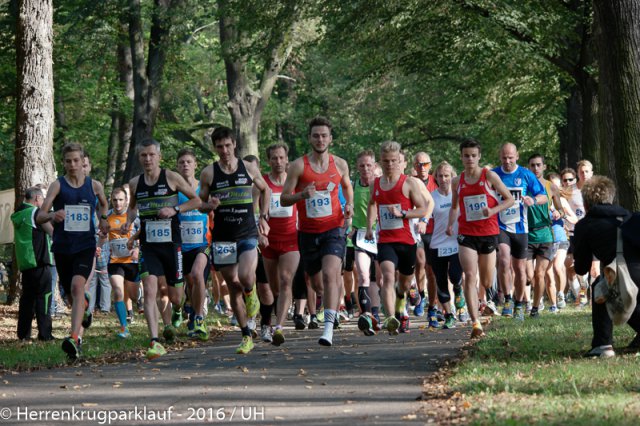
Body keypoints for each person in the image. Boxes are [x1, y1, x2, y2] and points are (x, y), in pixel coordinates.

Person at [124, 138, 202, 360]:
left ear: (159, 156)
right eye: (143, 156)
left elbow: (196, 200)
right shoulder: (135, 183)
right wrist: (128, 223)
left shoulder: (171, 177)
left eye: (151, 155)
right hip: (149, 246)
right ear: (139, 158)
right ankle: (155, 341)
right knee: (150, 290)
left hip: (171, 245)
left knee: (176, 297)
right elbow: (132, 209)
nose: (147, 159)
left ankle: (178, 310)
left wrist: (175, 209)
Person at [281, 117, 354, 346]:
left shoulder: (340, 164)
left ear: (330, 139)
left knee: (331, 273)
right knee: (317, 283)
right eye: (316, 135)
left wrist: (349, 204)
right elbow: (284, 198)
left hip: (334, 227)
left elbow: (348, 186)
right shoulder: (298, 166)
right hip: (308, 233)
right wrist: (301, 195)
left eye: (324, 135)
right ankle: (331, 305)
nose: (320, 139)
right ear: (309, 138)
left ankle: (328, 329)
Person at [199, 127, 270, 354]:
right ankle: (246, 335)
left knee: (246, 276)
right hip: (222, 238)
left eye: (228, 145)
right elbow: (200, 203)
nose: (224, 150)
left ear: (234, 145)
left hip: (247, 233)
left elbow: (265, 189)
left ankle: (253, 295)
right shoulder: (209, 173)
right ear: (215, 148)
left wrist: (263, 216)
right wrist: (209, 206)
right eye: (219, 147)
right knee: (232, 284)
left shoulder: (248, 168)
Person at [36, 143, 110, 359]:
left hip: (85, 245)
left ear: (83, 161)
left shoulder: (94, 186)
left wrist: (104, 220)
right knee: (70, 294)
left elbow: (103, 205)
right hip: (62, 247)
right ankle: (85, 305)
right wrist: (52, 215)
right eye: (68, 161)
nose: (72, 164)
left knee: (78, 286)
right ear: (64, 162)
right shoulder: (57, 186)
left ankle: (75, 337)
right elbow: (40, 216)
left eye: (76, 160)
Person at [447, 139, 514, 339]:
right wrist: (451, 224)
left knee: (485, 280)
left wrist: (492, 209)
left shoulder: (489, 176)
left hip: (488, 233)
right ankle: (475, 323)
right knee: (469, 275)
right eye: (466, 155)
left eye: (473, 155)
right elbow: (454, 206)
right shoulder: (456, 181)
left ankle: (487, 300)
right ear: (461, 157)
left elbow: (509, 198)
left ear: (479, 157)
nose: (470, 159)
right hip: (466, 234)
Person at [366, 141, 432, 334]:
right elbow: (372, 204)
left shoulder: (408, 183)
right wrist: (370, 226)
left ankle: (401, 304)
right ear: (381, 161)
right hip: (385, 240)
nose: (389, 164)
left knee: (402, 285)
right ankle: (390, 318)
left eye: (393, 160)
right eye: (386, 161)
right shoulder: (375, 184)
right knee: (387, 277)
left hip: (407, 241)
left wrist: (403, 214)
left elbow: (422, 208)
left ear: (399, 161)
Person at [573, 176, 640, 358]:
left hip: (625, 275)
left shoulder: (585, 225)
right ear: (611, 197)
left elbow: (581, 268)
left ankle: (603, 344)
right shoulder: (630, 216)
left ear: (586, 203)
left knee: (600, 287)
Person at [492, 143, 547, 320]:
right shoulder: (493, 175)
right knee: (503, 259)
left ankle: (518, 303)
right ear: (500, 157)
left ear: (517, 156)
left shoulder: (525, 174)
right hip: (501, 226)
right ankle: (507, 299)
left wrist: (533, 200)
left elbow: (543, 196)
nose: (507, 161)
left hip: (521, 228)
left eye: (511, 157)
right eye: (504, 158)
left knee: (520, 269)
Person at [259, 143, 300, 346]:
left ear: (287, 160)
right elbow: (254, 212)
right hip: (269, 241)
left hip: (291, 239)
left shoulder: (294, 183)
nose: (278, 162)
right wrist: (259, 231)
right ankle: (278, 310)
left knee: (285, 280)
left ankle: (279, 327)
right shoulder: (262, 183)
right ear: (269, 161)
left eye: (282, 158)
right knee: (275, 287)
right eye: (274, 158)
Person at [176, 148, 213, 341]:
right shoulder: (174, 190)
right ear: (177, 166)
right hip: (182, 245)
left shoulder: (203, 188)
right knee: (189, 281)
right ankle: (192, 312)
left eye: (189, 162)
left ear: (195, 165)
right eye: (181, 162)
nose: (185, 165)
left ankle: (199, 317)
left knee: (198, 275)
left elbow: (210, 208)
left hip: (202, 243)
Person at [11, 186, 54, 341]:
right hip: (41, 261)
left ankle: (23, 334)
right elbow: (51, 231)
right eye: (42, 199)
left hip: (26, 263)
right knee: (45, 298)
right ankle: (45, 334)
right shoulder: (35, 213)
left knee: (27, 300)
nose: (43, 202)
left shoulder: (18, 214)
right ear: (37, 199)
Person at [428, 162, 463, 329]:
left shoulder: (458, 194)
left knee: (455, 275)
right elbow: (424, 213)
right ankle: (449, 315)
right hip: (438, 243)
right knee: (441, 281)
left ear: (452, 176)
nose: (443, 179)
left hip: (457, 242)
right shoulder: (432, 197)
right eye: (440, 176)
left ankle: (458, 288)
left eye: (447, 176)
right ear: (436, 177)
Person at [351, 150, 381, 336]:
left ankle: (378, 313)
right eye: (362, 165)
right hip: (361, 235)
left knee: (380, 278)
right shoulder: (353, 185)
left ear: (374, 165)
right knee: (362, 275)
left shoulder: (380, 185)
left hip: (381, 234)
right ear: (357, 167)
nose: (365, 169)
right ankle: (367, 316)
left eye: (368, 165)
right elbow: (345, 206)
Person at [104, 187, 140, 338]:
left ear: (126, 201)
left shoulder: (133, 217)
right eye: (114, 200)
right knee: (118, 291)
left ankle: (140, 295)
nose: (117, 203)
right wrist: (100, 245)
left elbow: (143, 233)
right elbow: (101, 235)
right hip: (115, 260)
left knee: (133, 296)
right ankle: (124, 328)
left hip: (131, 260)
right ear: (111, 201)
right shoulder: (106, 217)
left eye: (120, 200)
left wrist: (137, 248)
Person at [525, 154, 558, 317]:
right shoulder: (524, 184)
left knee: (540, 274)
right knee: (528, 275)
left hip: (545, 234)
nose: (536, 168)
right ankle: (530, 299)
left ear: (544, 167)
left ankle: (535, 308)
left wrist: (559, 213)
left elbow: (560, 208)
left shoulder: (550, 186)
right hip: (526, 234)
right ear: (528, 167)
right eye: (532, 165)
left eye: (538, 165)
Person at [412, 152, 438, 321]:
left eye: (426, 164)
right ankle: (420, 295)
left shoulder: (437, 182)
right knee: (420, 262)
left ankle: (433, 305)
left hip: (435, 231)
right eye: (419, 165)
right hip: (416, 232)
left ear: (430, 165)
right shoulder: (410, 183)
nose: (422, 168)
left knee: (432, 271)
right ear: (414, 166)